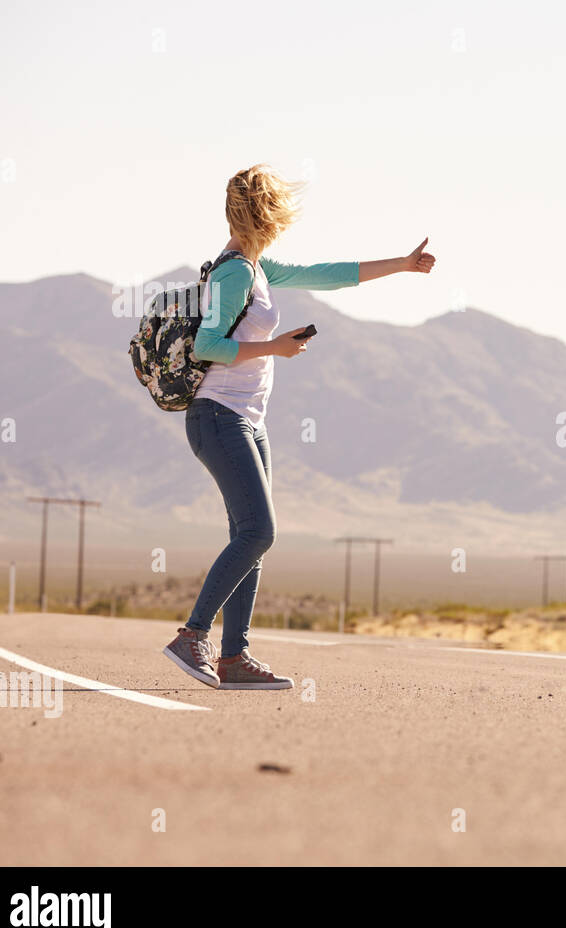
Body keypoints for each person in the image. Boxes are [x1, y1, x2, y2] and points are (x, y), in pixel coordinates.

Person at [162, 164, 435, 690]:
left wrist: (402, 265)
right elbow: (207, 346)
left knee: (251, 539)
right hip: (218, 416)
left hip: (246, 421)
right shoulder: (235, 272)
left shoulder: (257, 267)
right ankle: (192, 636)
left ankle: (234, 658)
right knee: (259, 532)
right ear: (265, 215)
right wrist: (277, 348)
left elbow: (329, 272)